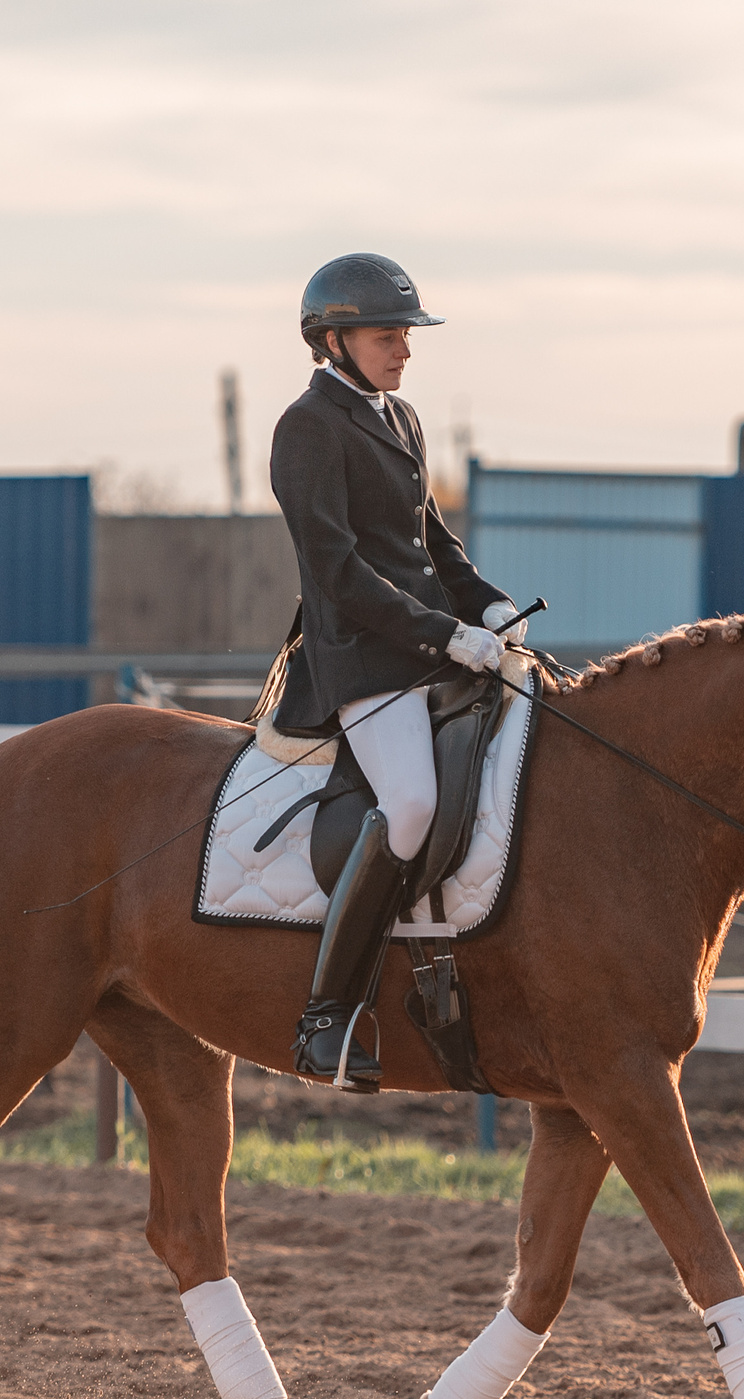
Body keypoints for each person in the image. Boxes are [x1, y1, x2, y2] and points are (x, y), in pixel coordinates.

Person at [268, 252, 528, 1091]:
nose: (404, 351)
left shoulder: (403, 417)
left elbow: (432, 544)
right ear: (333, 339)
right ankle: (327, 1016)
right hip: (362, 661)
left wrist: (487, 606)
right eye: (388, 336)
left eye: (406, 336)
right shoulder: (306, 430)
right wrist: (444, 635)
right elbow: (339, 572)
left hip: (429, 643)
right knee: (411, 802)